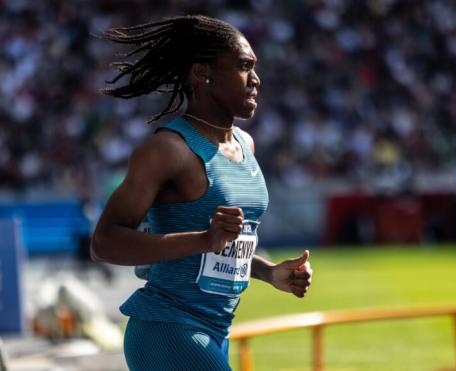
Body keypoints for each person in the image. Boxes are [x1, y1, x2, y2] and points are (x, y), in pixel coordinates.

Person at [90, 15, 313, 370]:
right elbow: (104, 242)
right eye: (243, 66)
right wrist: (203, 239)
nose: (256, 80)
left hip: (215, 332)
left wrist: (270, 273)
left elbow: (222, 248)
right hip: (167, 328)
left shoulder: (245, 145)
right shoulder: (168, 150)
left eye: (254, 68)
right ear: (202, 73)